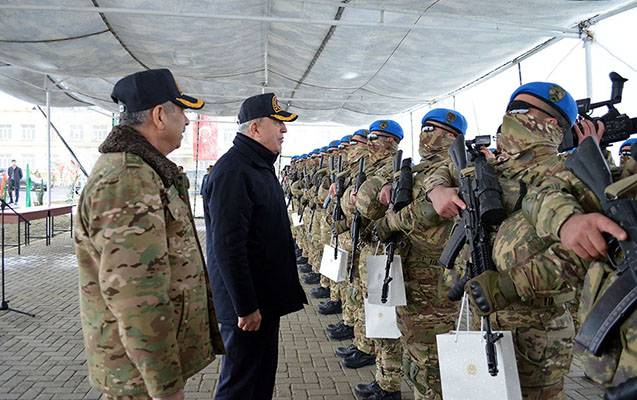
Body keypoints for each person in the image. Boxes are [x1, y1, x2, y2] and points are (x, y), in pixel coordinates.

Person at [74, 68, 224, 400]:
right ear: (159, 115)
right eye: (182, 110)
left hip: (140, 372)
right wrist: (166, 388)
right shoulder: (128, 179)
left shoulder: (143, 170)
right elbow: (135, 297)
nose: (187, 121)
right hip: (137, 377)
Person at [205, 93, 308, 400]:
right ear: (254, 129)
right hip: (246, 308)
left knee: (260, 380)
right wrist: (245, 306)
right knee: (239, 386)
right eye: (277, 122)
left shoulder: (257, 166)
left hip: (262, 302)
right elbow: (227, 246)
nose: (284, 130)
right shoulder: (234, 171)